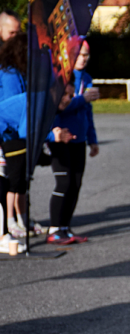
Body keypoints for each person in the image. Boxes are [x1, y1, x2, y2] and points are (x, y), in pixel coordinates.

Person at [0, 87, 76, 251]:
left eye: (72, 95)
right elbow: (25, 131)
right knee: (4, 186)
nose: (69, 98)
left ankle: (9, 230)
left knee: (10, 183)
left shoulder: (46, 102)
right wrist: (52, 136)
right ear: (54, 91)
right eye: (66, 94)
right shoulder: (39, 102)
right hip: (5, 136)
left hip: (6, 136)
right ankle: (4, 235)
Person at [47, 41, 100, 245]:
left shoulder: (86, 78)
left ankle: (65, 227)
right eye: (79, 55)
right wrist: (82, 99)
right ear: (69, 56)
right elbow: (59, 108)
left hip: (80, 138)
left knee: (76, 183)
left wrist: (92, 139)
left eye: (86, 55)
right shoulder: (60, 79)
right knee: (64, 182)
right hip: (62, 137)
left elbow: (88, 112)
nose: (83, 59)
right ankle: (54, 228)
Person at [0, 31, 30, 238]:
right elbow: (14, 109)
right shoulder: (10, 74)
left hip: (12, 134)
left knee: (18, 180)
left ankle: (19, 220)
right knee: (9, 181)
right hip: (8, 136)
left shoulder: (17, 72)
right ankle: (7, 226)